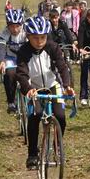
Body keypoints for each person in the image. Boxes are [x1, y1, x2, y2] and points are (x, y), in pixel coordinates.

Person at [15, 16, 75, 169]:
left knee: (60, 116)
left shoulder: (53, 47)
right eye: (35, 38)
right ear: (28, 37)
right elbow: (21, 73)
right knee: (35, 116)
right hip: (33, 87)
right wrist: (28, 90)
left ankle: (57, 145)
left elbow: (62, 67)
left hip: (52, 85)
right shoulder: (23, 51)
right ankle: (32, 154)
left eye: (43, 37)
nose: (39, 41)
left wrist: (67, 85)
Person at [0, 9, 27, 113]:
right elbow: (1, 48)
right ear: (7, 25)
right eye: (11, 26)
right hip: (10, 58)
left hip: (24, 57)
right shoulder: (4, 33)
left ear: (21, 24)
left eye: (17, 26)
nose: (14, 29)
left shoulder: (27, 31)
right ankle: (11, 101)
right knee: (9, 74)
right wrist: (1, 61)